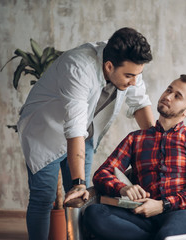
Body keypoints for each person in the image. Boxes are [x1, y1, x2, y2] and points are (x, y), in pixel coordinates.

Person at [17, 27, 155, 239]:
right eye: (129, 76)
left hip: (84, 137)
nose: (134, 81)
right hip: (45, 134)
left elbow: (139, 102)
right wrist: (78, 182)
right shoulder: (78, 67)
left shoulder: (127, 67)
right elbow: (74, 128)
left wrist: (159, 145)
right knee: (43, 197)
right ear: (109, 66)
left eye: (137, 75)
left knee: (79, 200)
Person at [84, 74, 186, 240]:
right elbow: (102, 174)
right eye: (169, 90)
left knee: (168, 235)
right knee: (94, 213)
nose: (168, 96)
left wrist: (163, 205)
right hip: (142, 215)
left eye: (177, 96)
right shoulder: (135, 139)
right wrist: (122, 188)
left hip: (184, 212)